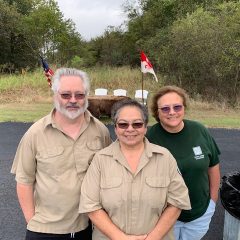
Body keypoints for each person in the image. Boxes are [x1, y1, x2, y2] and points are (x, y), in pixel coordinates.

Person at [11, 68, 112, 240]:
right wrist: (32, 221)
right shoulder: (35, 134)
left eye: (79, 95)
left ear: (86, 95)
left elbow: (109, 173)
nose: (73, 100)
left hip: (87, 228)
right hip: (45, 231)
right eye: (65, 95)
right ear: (55, 95)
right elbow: (24, 182)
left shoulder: (100, 131)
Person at [79, 99, 191, 240]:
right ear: (115, 128)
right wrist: (120, 238)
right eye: (123, 124)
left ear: (145, 127)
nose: (130, 129)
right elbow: (91, 206)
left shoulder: (164, 158)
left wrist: (152, 238)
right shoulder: (100, 160)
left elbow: (177, 202)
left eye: (137, 124)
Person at [146, 85, 221, 240]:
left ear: (184, 108)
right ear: (157, 112)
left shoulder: (199, 130)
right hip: (163, 217)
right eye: (165, 109)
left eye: (177, 107)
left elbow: (213, 166)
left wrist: (212, 202)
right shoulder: (149, 138)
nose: (172, 112)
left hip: (200, 213)